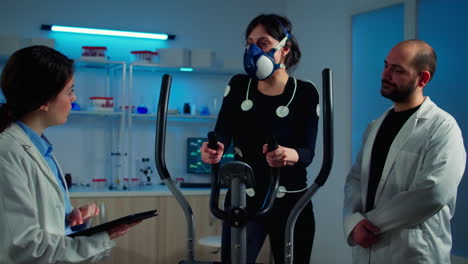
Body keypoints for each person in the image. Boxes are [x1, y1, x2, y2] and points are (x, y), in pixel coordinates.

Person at [0, 45, 138, 263]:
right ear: (44, 100)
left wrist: (70, 220)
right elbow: (24, 247)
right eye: (69, 91)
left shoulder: (40, 149)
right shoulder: (7, 152)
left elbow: (42, 225)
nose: (73, 99)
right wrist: (101, 238)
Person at [200, 14, 319, 263]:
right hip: (244, 197)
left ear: (284, 48)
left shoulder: (305, 92)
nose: (253, 50)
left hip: (290, 200)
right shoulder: (239, 85)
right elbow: (222, 131)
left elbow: (307, 152)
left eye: (263, 43)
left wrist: (288, 154)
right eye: (249, 42)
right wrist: (215, 147)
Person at [343, 40, 466, 264]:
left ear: (423, 78)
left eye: (397, 69)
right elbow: (355, 179)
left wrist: (370, 223)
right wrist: (353, 223)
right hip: (367, 251)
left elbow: (434, 192)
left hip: (414, 253)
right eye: (386, 65)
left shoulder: (442, 127)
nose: (385, 74)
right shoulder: (375, 126)